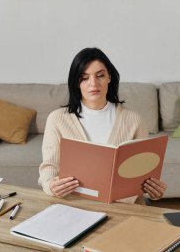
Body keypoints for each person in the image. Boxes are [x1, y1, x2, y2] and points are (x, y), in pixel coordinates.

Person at [38, 47, 167, 201]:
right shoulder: (57, 119)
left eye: (100, 75)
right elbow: (49, 168)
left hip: (122, 208)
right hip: (76, 205)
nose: (93, 83)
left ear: (109, 77)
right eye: (84, 78)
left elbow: (143, 176)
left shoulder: (134, 120)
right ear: (76, 83)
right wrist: (51, 186)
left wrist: (154, 191)